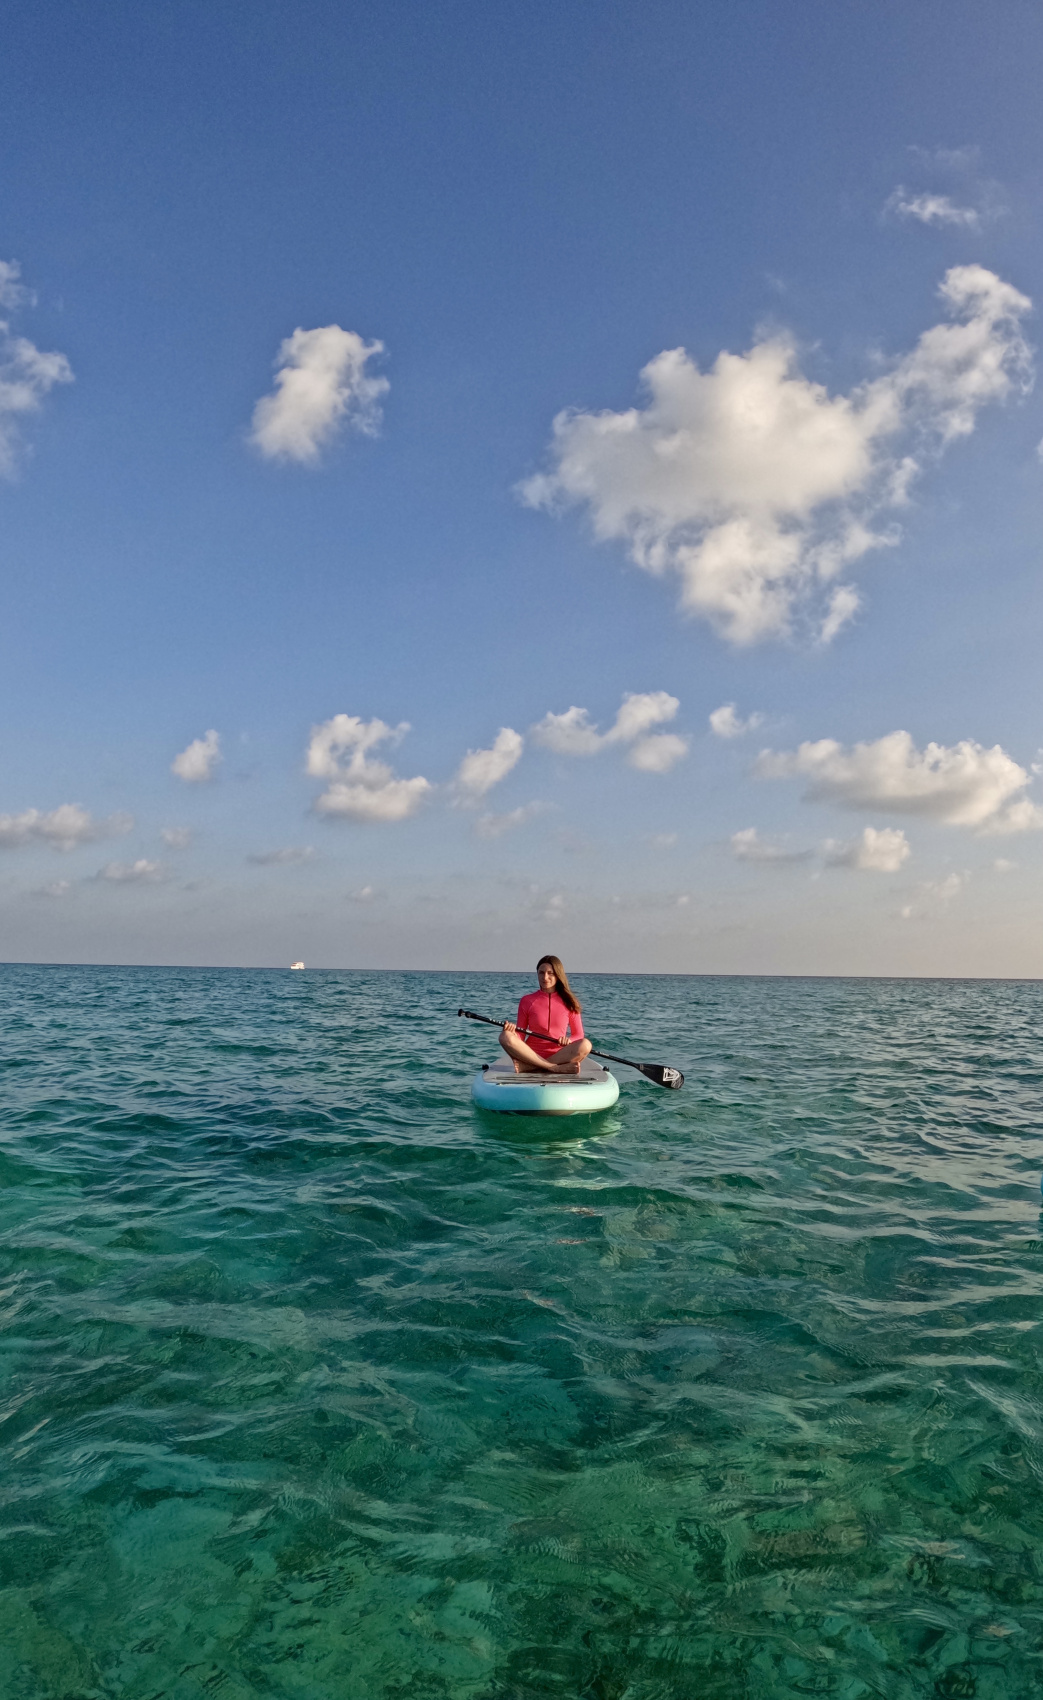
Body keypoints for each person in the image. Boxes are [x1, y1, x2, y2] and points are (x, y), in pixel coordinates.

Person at [499, 955, 593, 1075]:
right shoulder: (527, 1000)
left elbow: (579, 1034)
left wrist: (569, 1040)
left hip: (560, 1055)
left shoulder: (570, 1002)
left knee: (586, 1044)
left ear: (558, 975)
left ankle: (532, 1066)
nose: (545, 977)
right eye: (541, 973)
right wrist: (513, 1032)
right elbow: (521, 1035)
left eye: (550, 973)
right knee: (504, 1036)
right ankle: (553, 1067)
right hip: (531, 1053)